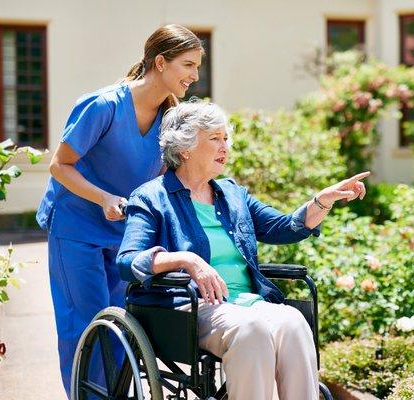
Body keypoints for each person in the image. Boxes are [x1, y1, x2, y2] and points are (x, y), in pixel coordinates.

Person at [117, 101, 370, 400]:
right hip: (189, 307)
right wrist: (186, 260)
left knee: (292, 322)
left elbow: (284, 227)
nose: (225, 146)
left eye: (226, 138)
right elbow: (128, 261)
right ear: (185, 147)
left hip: (247, 303)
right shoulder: (151, 197)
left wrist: (322, 201)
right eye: (214, 138)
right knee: (251, 330)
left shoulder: (233, 194)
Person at [36, 24, 205, 396]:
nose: (194, 77)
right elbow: (59, 166)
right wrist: (104, 199)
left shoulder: (170, 120)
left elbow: (164, 180)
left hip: (125, 234)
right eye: (188, 65)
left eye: (197, 68)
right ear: (160, 62)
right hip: (76, 227)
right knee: (85, 322)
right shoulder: (104, 106)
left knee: (124, 325)